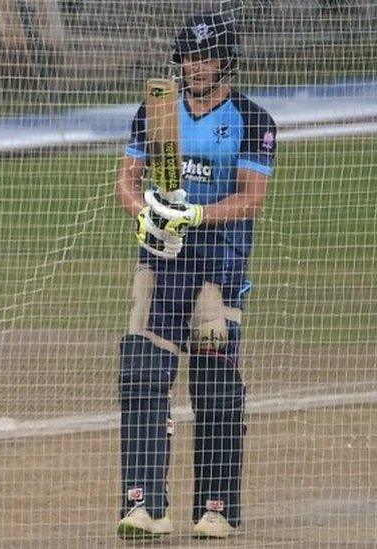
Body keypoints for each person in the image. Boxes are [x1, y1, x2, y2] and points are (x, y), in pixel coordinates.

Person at [114, 12, 277, 540]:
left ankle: (217, 509)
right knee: (141, 374)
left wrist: (198, 215)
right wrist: (143, 213)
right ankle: (143, 505)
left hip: (218, 268)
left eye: (206, 58)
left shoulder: (253, 119)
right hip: (160, 262)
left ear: (226, 60)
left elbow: (252, 200)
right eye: (188, 57)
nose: (195, 66)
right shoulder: (157, 108)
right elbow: (127, 181)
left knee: (214, 385)